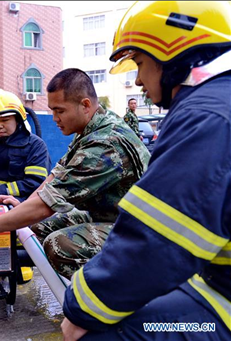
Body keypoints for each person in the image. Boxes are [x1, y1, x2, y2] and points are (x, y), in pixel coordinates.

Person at [60, 2, 231, 340]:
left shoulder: (206, 118)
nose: (137, 79)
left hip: (222, 302)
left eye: (139, 62)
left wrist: (82, 308)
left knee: (103, 335)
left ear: (172, 54)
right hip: (215, 282)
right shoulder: (216, 105)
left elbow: (158, 238)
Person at [0, 68, 150, 280]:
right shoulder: (93, 128)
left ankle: (115, 300)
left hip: (140, 233)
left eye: (59, 111)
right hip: (110, 217)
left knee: (60, 244)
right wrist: (22, 208)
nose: (54, 118)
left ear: (85, 105)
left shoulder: (105, 144)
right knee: (35, 225)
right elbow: (54, 179)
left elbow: (47, 204)